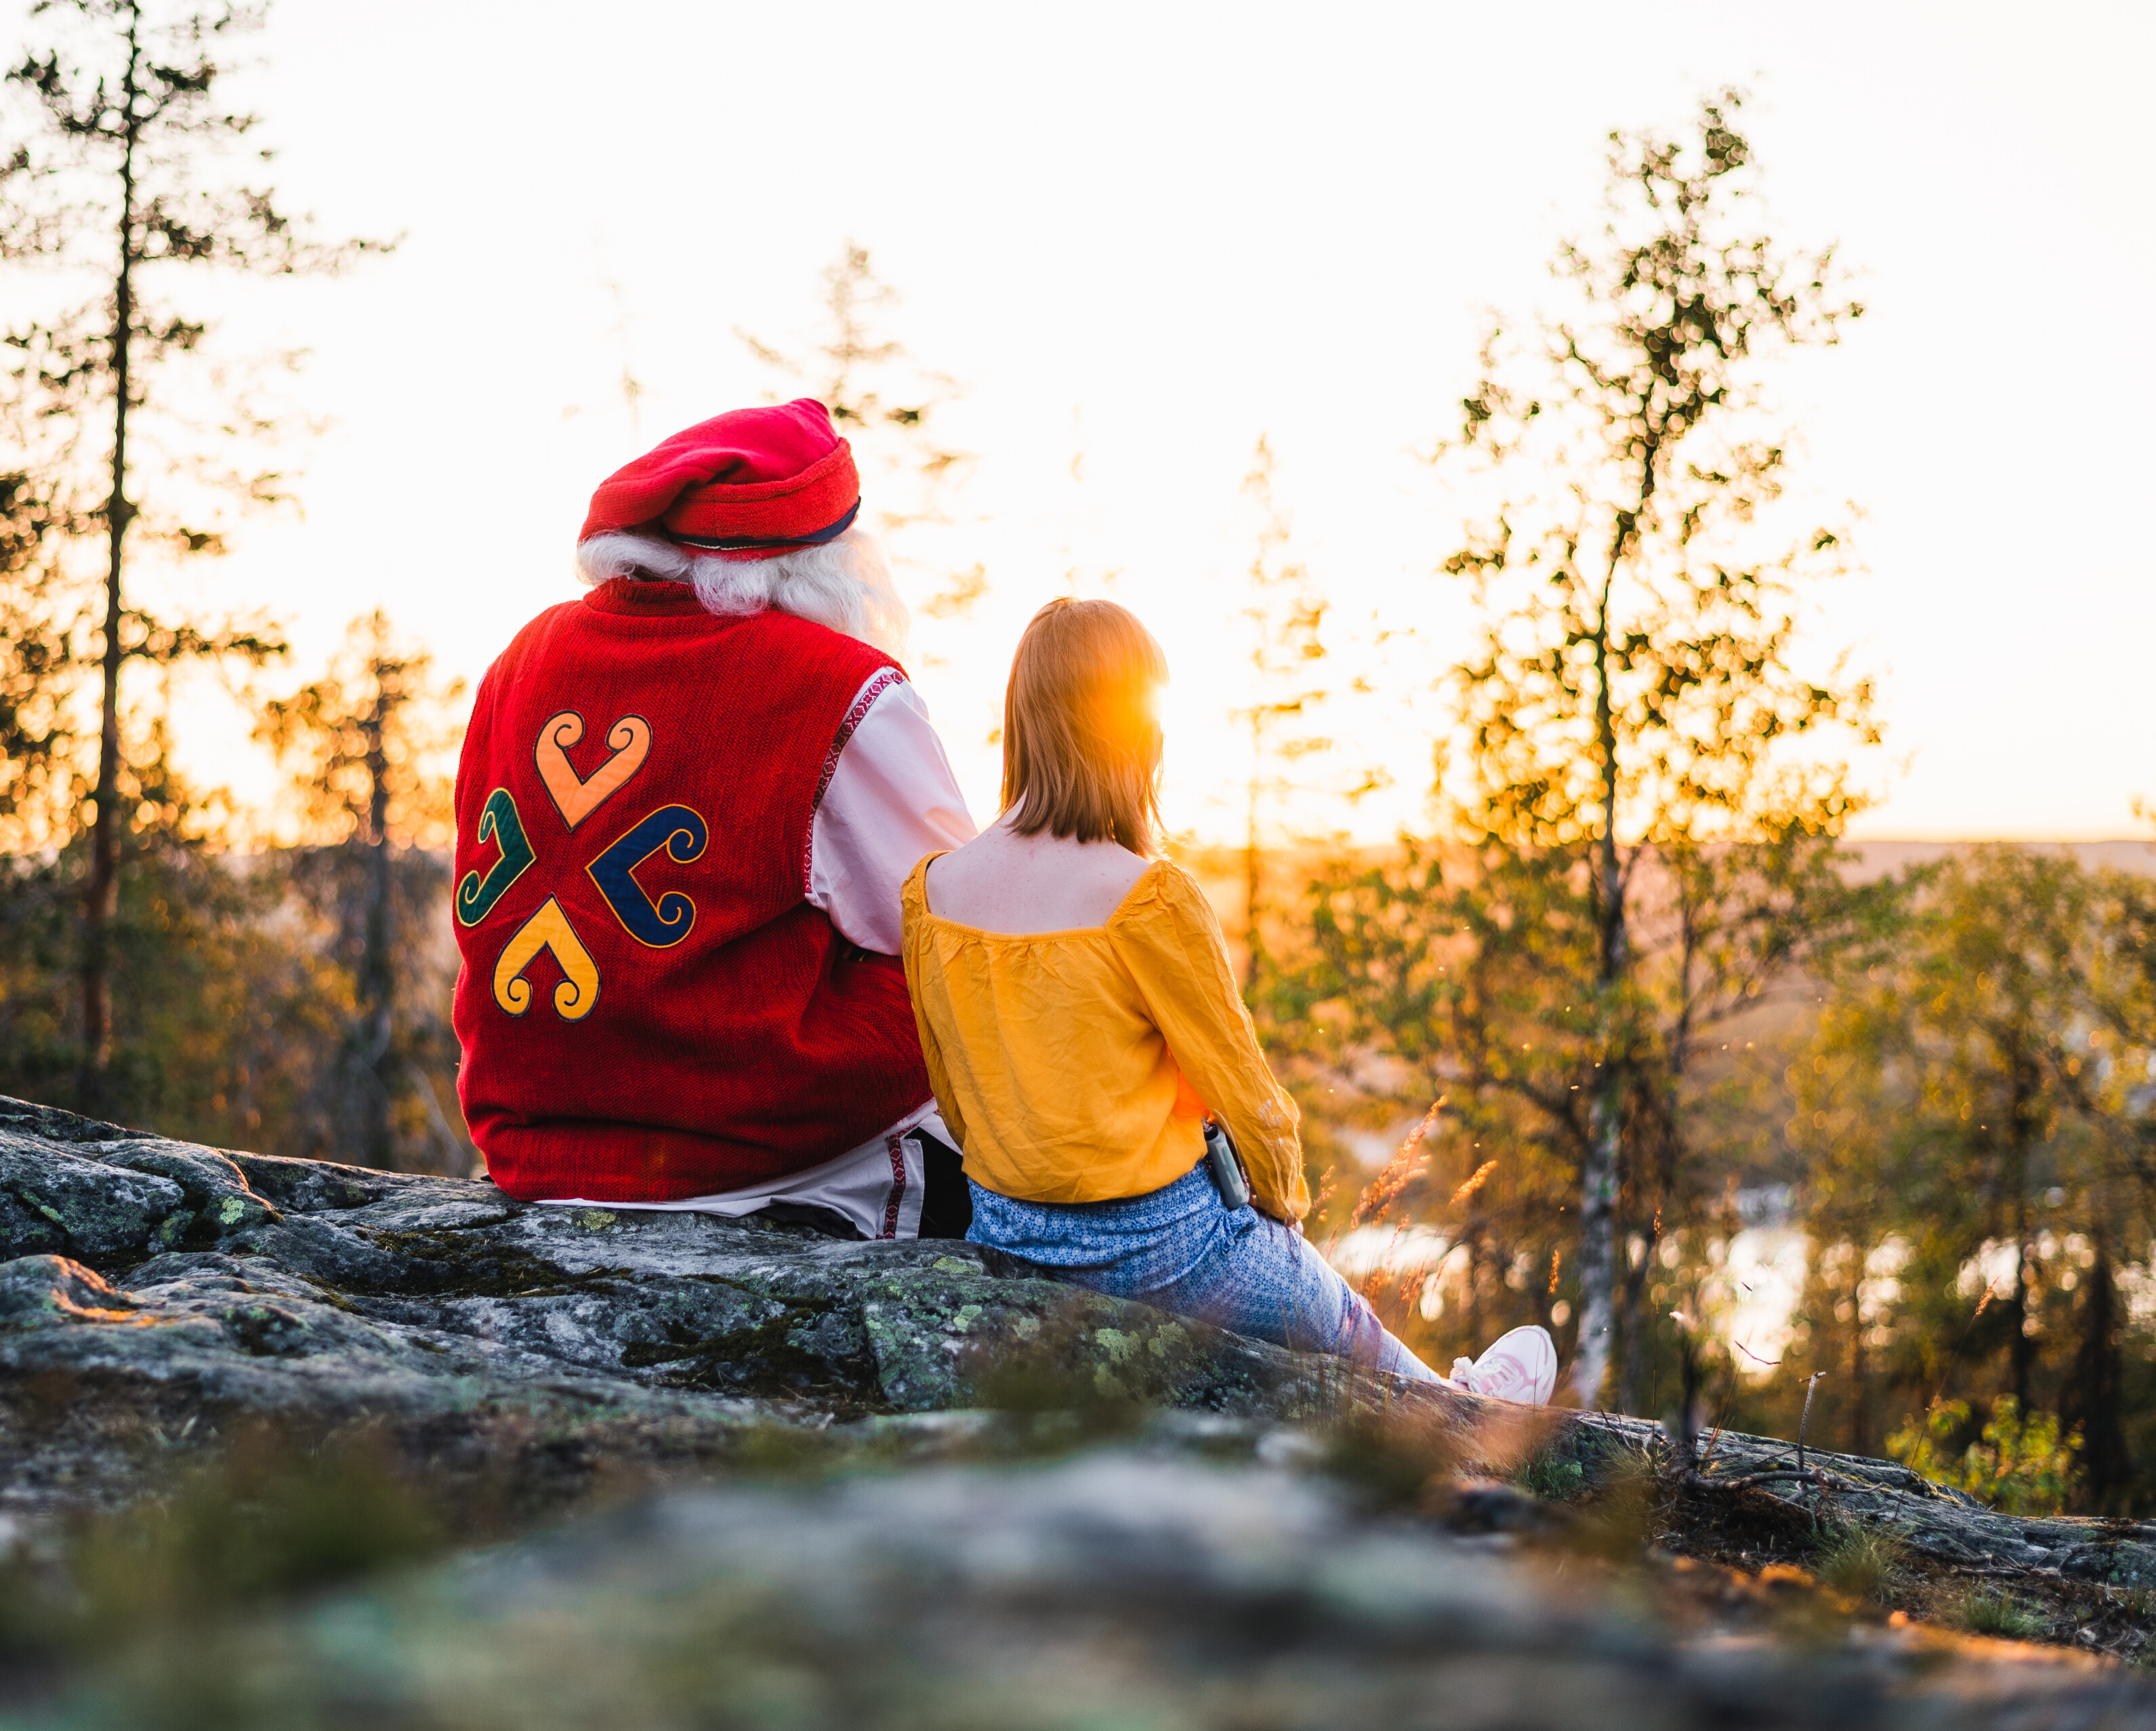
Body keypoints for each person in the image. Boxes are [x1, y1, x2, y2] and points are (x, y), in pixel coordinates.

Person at [900, 598, 1558, 1400]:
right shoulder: (1148, 897)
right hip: (1164, 1246)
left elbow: (954, 1093)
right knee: (1346, 1326)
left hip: (1007, 1231)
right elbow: (1245, 1090)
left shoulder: (932, 893)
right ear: (1135, 731)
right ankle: (1470, 1414)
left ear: (1024, 718)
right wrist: (1280, 1209)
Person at [451, 400, 978, 1238]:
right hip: (747, 1147)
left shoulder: (522, 657)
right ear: (829, 559)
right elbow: (958, 924)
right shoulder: (837, 684)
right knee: (971, 975)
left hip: (533, 1139)